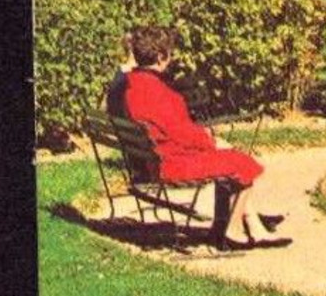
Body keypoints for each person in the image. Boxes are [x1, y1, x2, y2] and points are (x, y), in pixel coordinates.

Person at [121, 26, 288, 250]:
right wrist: (209, 140)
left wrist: (208, 142)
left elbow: (169, 131)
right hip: (171, 164)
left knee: (229, 157)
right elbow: (180, 132)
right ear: (161, 57)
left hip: (158, 158)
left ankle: (250, 226)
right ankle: (233, 232)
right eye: (169, 53)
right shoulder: (158, 92)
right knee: (242, 163)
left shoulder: (133, 86)